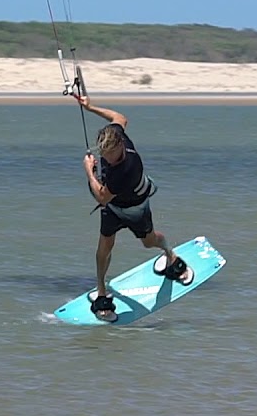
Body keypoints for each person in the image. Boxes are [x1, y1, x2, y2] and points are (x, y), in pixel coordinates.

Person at [75, 94, 187, 322]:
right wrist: (90, 107)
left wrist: (88, 170)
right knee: (104, 246)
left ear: (119, 147)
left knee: (149, 242)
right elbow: (120, 117)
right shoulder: (116, 136)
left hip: (135, 207)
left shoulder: (127, 168)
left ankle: (170, 254)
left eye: (108, 155)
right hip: (114, 207)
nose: (104, 157)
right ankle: (101, 291)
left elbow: (102, 197)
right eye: (102, 154)